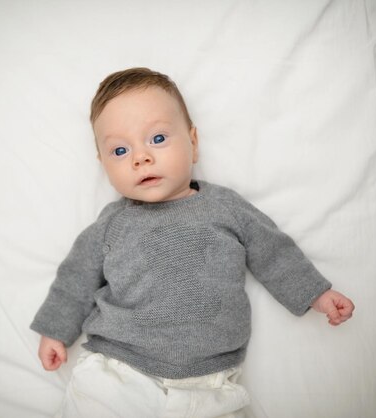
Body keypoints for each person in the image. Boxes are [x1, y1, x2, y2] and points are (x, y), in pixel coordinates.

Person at [31, 67, 355, 417]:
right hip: (119, 372)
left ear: (193, 143)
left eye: (157, 139)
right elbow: (75, 278)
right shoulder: (112, 223)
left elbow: (273, 252)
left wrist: (315, 294)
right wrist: (55, 330)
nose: (141, 157)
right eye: (121, 150)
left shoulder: (225, 208)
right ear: (103, 164)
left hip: (210, 386)